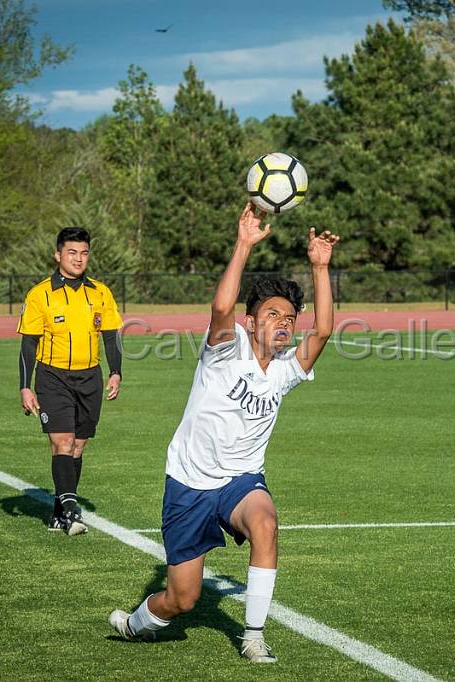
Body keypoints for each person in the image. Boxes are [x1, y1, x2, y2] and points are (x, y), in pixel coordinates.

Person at [109, 203, 340, 663]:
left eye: (290, 318)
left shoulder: (284, 372)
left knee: (267, 525)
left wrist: (320, 268)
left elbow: (325, 331)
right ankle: (137, 623)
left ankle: (253, 636)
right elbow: (220, 306)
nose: (285, 323)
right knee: (182, 599)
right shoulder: (226, 346)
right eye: (273, 314)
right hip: (189, 482)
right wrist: (243, 244)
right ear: (252, 322)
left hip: (240, 480)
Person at [17, 227, 123, 536]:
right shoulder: (41, 294)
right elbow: (28, 345)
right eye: (72, 252)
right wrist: (25, 386)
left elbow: (111, 335)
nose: (78, 259)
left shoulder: (100, 292)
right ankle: (72, 511)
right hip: (53, 376)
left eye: (84, 252)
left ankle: (57, 512)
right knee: (61, 442)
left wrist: (116, 371)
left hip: (90, 377)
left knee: (77, 446)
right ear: (58, 255)